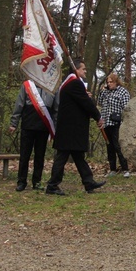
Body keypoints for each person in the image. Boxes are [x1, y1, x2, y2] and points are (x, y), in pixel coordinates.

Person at [46, 59, 106, 195]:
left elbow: (80, 101)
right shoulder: (75, 83)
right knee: (61, 158)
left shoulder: (70, 84)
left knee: (78, 157)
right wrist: (98, 116)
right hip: (70, 129)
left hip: (70, 129)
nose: (85, 71)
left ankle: (88, 182)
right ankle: (52, 185)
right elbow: (86, 103)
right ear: (76, 70)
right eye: (83, 69)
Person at [9, 81, 58, 191]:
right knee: (24, 155)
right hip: (28, 125)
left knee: (40, 156)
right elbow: (19, 104)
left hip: (44, 128)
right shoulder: (27, 85)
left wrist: (54, 128)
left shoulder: (52, 87)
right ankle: (21, 181)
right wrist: (14, 123)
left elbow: (56, 110)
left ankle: (37, 181)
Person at [98, 73, 131, 178]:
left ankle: (125, 169)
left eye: (111, 82)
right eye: (108, 82)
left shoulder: (122, 92)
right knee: (109, 146)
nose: (109, 84)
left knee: (118, 146)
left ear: (116, 82)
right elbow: (99, 102)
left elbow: (126, 108)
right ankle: (112, 169)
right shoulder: (106, 92)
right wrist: (102, 91)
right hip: (106, 123)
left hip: (117, 123)